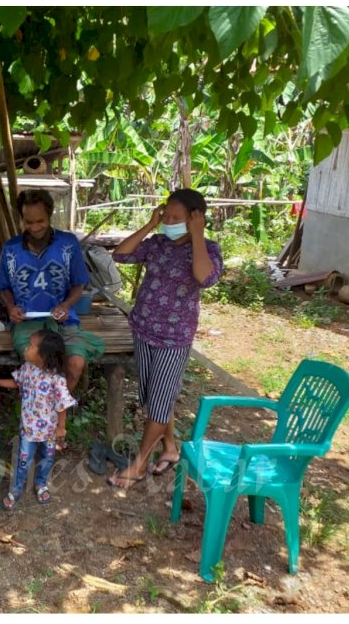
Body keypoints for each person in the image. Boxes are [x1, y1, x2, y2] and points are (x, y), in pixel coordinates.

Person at [108, 188, 223, 490]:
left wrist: (197, 236)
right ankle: (169, 448)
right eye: (166, 214)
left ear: (195, 220)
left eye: (176, 217)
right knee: (154, 397)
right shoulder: (157, 243)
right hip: (143, 328)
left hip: (174, 338)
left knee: (159, 402)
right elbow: (120, 254)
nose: (168, 221)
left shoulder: (208, 249)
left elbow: (205, 278)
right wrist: (149, 225)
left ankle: (140, 465)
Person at [0, 189, 105, 397]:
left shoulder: (68, 243)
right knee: (35, 363)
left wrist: (65, 305)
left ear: (50, 216)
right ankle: (38, 412)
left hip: (63, 318)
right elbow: (4, 287)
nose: (35, 227)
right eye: (28, 222)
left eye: (40, 221)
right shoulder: (11, 249)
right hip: (26, 321)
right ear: (21, 220)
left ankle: (56, 413)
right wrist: (11, 307)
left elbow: (79, 284)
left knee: (75, 362)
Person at [0, 329, 76, 509]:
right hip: (28, 428)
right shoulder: (28, 369)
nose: (25, 348)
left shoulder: (57, 380)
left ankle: (41, 484)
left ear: (44, 355)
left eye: (30, 346)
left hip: (49, 431)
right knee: (23, 460)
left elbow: (62, 405)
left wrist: (61, 428)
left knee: (47, 459)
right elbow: (17, 383)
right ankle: (16, 489)